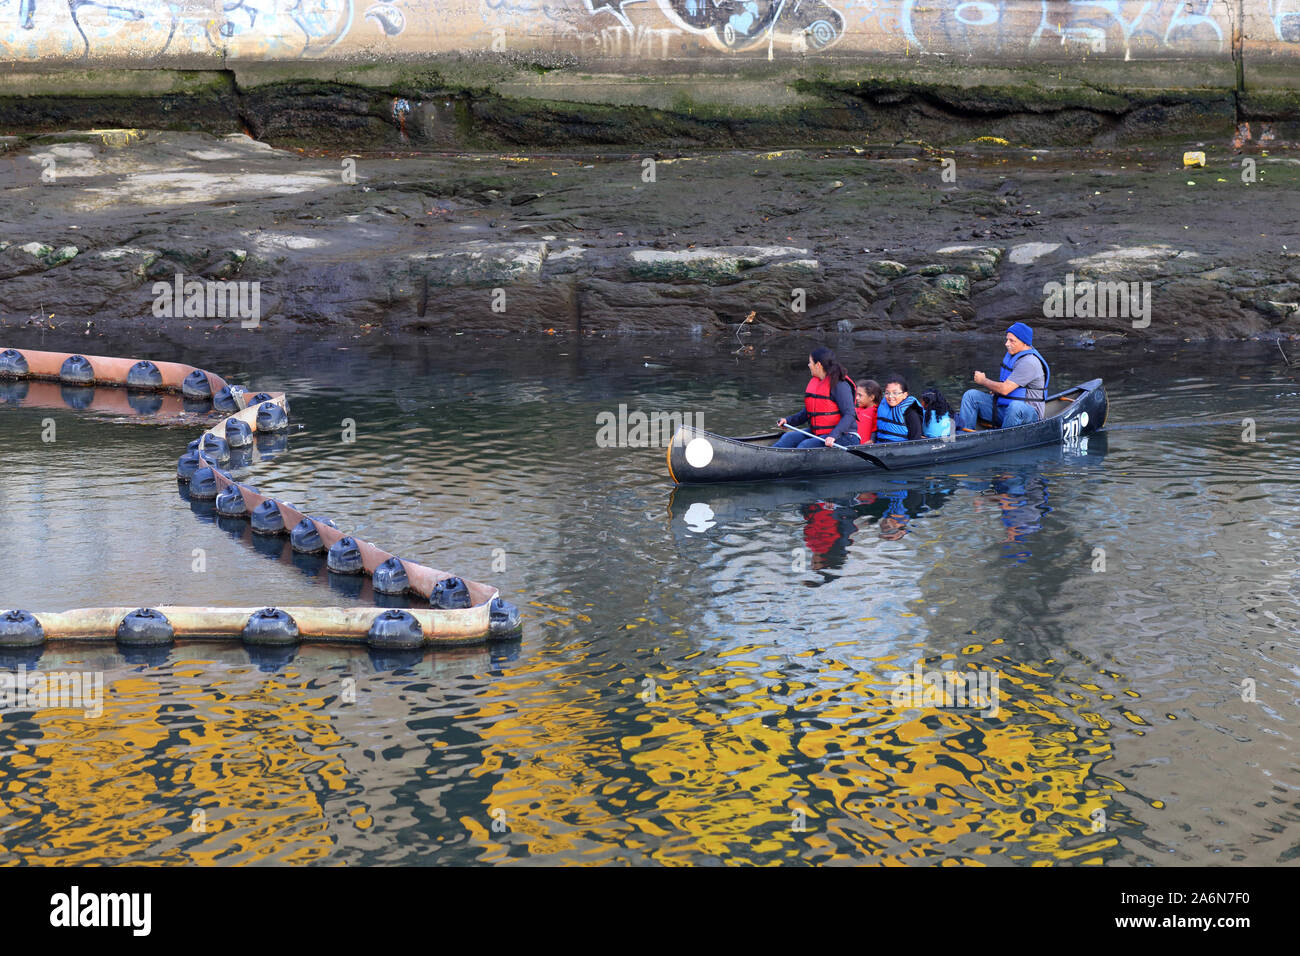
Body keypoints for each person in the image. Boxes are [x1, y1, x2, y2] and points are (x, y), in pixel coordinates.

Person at [959, 322, 1051, 430]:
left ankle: (1002, 440)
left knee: (1015, 407)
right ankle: (964, 436)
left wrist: (983, 381)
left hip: (1028, 414)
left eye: (1012, 341)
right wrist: (996, 390)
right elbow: (1007, 386)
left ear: (1025, 343)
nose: (1007, 344)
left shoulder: (1029, 362)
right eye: (1007, 339)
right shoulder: (1013, 353)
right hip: (1005, 409)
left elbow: (1005, 389)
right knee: (971, 396)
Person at [775, 347, 859, 448]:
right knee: (788, 437)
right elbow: (808, 413)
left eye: (810, 362)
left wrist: (833, 435)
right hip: (819, 432)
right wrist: (788, 421)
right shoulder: (818, 382)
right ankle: (768, 458)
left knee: (805, 446)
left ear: (818, 365)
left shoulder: (840, 385)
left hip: (845, 436)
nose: (808, 365)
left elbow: (850, 414)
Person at [874, 374, 923, 442]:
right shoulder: (882, 407)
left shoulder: (910, 414)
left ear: (904, 395)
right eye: (887, 393)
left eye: (895, 393)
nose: (890, 396)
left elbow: (915, 441)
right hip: (879, 447)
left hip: (899, 450)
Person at [855, 379, 882, 445]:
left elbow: (876, 429)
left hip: (865, 446)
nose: (857, 398)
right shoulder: (857, 409)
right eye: (856, 395)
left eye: (860, 395)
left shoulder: (877, 412)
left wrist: (872, 440)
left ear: (871, 397)